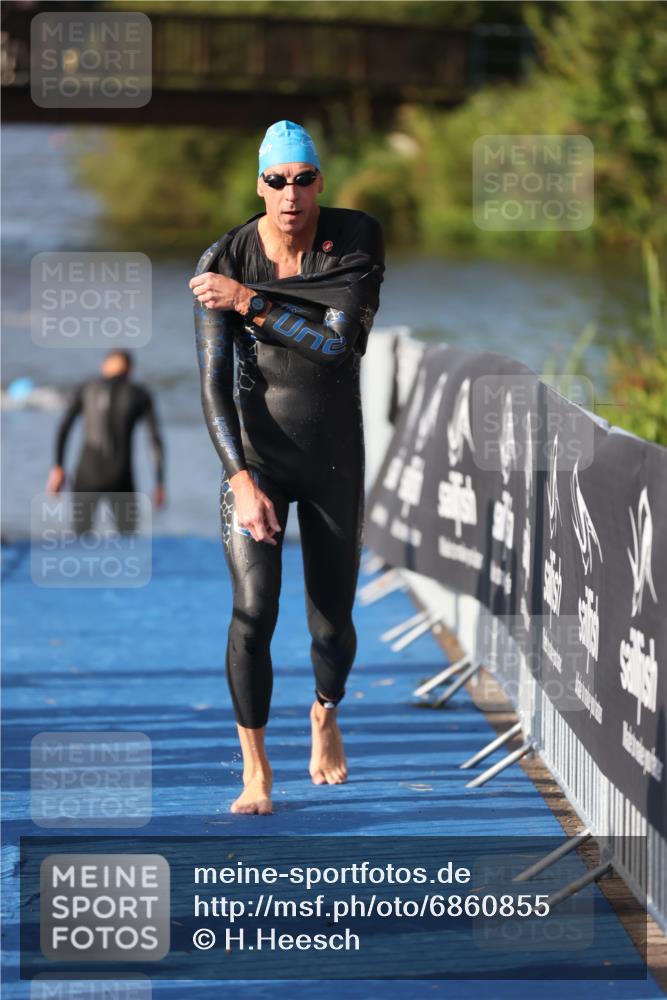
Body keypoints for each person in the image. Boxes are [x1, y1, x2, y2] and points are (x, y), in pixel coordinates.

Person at [189, 120, 385, 815]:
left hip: (333, 456)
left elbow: (335, 352)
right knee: (252, 612)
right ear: (259, 186)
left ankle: (325, 713)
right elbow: (212, 384)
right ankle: (256, 771)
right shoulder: (225, 254)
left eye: (303, 179)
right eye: (276, 181)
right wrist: (240, 478)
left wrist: (247, 302)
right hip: (258, 462)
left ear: (319, 184)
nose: (290, 194)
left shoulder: (356, 238)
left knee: (330, 624)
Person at [46, 348, 165, 533]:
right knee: (127, 540)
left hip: (87, 474)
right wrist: (159, 482)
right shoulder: (140, 394)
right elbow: (154, 440)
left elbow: (64, 428)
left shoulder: (86, 388)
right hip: (121, 476)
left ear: (104, 366)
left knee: (81, 537)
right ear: (130, 369)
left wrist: (58, 467)